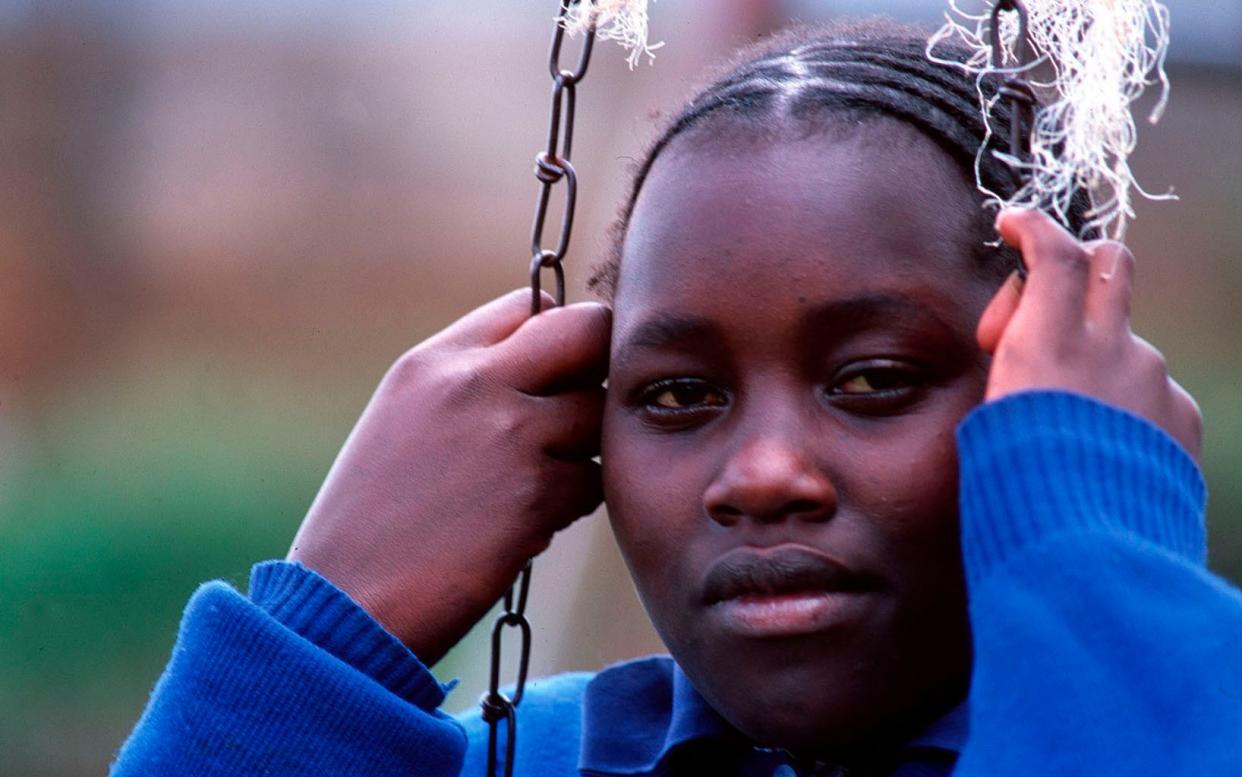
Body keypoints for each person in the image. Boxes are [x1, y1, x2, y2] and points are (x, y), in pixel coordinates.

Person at [111, 20, 1242, 777]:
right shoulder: (541, 758)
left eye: (874, 382)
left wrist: (1091, 549)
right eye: (681, 395)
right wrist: (327, 632)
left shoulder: (1188, 712)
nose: (762, 475)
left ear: (1051, 401)